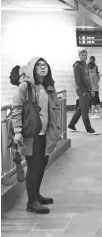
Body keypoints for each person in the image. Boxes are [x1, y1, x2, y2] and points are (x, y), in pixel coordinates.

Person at [11, 57, 61, 214]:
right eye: (39, 65)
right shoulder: (26, 86)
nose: (43, 67)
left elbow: (54, 108)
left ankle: (36, 195)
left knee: (42, 165)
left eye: (45, 64)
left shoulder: (48, 86)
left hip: (46, 133)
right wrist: (17, 131)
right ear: (32, 67)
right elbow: (16, 108)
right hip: (32, 134)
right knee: (33, 167)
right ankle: (31, 202)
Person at [68, 49, 98, 135]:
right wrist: (83, 91)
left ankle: (71, 124)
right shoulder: (77, 66)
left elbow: (87, 79)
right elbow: (78, 81)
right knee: (85, 110)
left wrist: (90, 90)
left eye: (85, 55)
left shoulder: (85, 65)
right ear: (79, 56)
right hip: (81, 90)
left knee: (81, 108)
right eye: (82, 55)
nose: (84, 57)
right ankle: (89, 129)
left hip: (87, 89)